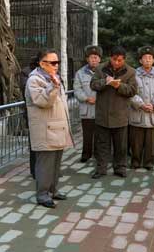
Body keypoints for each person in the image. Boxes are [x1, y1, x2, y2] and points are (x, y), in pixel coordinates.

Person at [25, 48, 73, 208]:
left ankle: (53, 190)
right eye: (53, 62)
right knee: (45, 164)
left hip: (57, 127)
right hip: (45, 129)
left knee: (56, 163)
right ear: (42, 63)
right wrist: (53, 86)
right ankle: (42, 194)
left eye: (57, 62)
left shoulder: (54, 77)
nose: (56, 65)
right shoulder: (34, 80)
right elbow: (43, 101)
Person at [90, 45, 137, 179]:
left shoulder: (130, 72)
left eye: (120, 60)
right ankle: (101, 168)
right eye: (114, 59)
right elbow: (93, 85)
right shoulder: (100, 68)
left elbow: (133, 90)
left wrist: (119, 86)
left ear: (124, 60)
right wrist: (105, 81)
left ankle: (120, 168)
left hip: (120, 116)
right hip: (102, 115)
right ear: (110, 58)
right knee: (102, 145)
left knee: (120, 146)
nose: (116, 63)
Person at [129, 46, 154, 170]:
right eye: (145, 58)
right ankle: (135, 162)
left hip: (152, 113)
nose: (147, 60)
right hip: (137, 112)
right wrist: (141, 104)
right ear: (140, 60)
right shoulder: (133, 74)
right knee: (136, 141)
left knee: (151, 141)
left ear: (153, 60)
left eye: (150, 58)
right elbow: (131, 93)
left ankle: (149, 163)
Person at [73, 45, 102, 163]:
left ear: (100, 59)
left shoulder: (104, 71)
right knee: (87, 134)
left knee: (100, 135)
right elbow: (77, 89)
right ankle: (86, 154)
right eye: (91, 57)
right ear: (87, 59)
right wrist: (86, 98)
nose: (94, 60)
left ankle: (99, 154)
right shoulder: (80, 73)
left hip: (101, 109)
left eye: (96, 57)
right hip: (87, 108)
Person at [19, 56, 39, 179]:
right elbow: (27, 88)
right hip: (32, 112)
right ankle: (34, 170)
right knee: (34, 143)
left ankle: (49, 170)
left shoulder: (50, 72)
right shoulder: (26, 72)